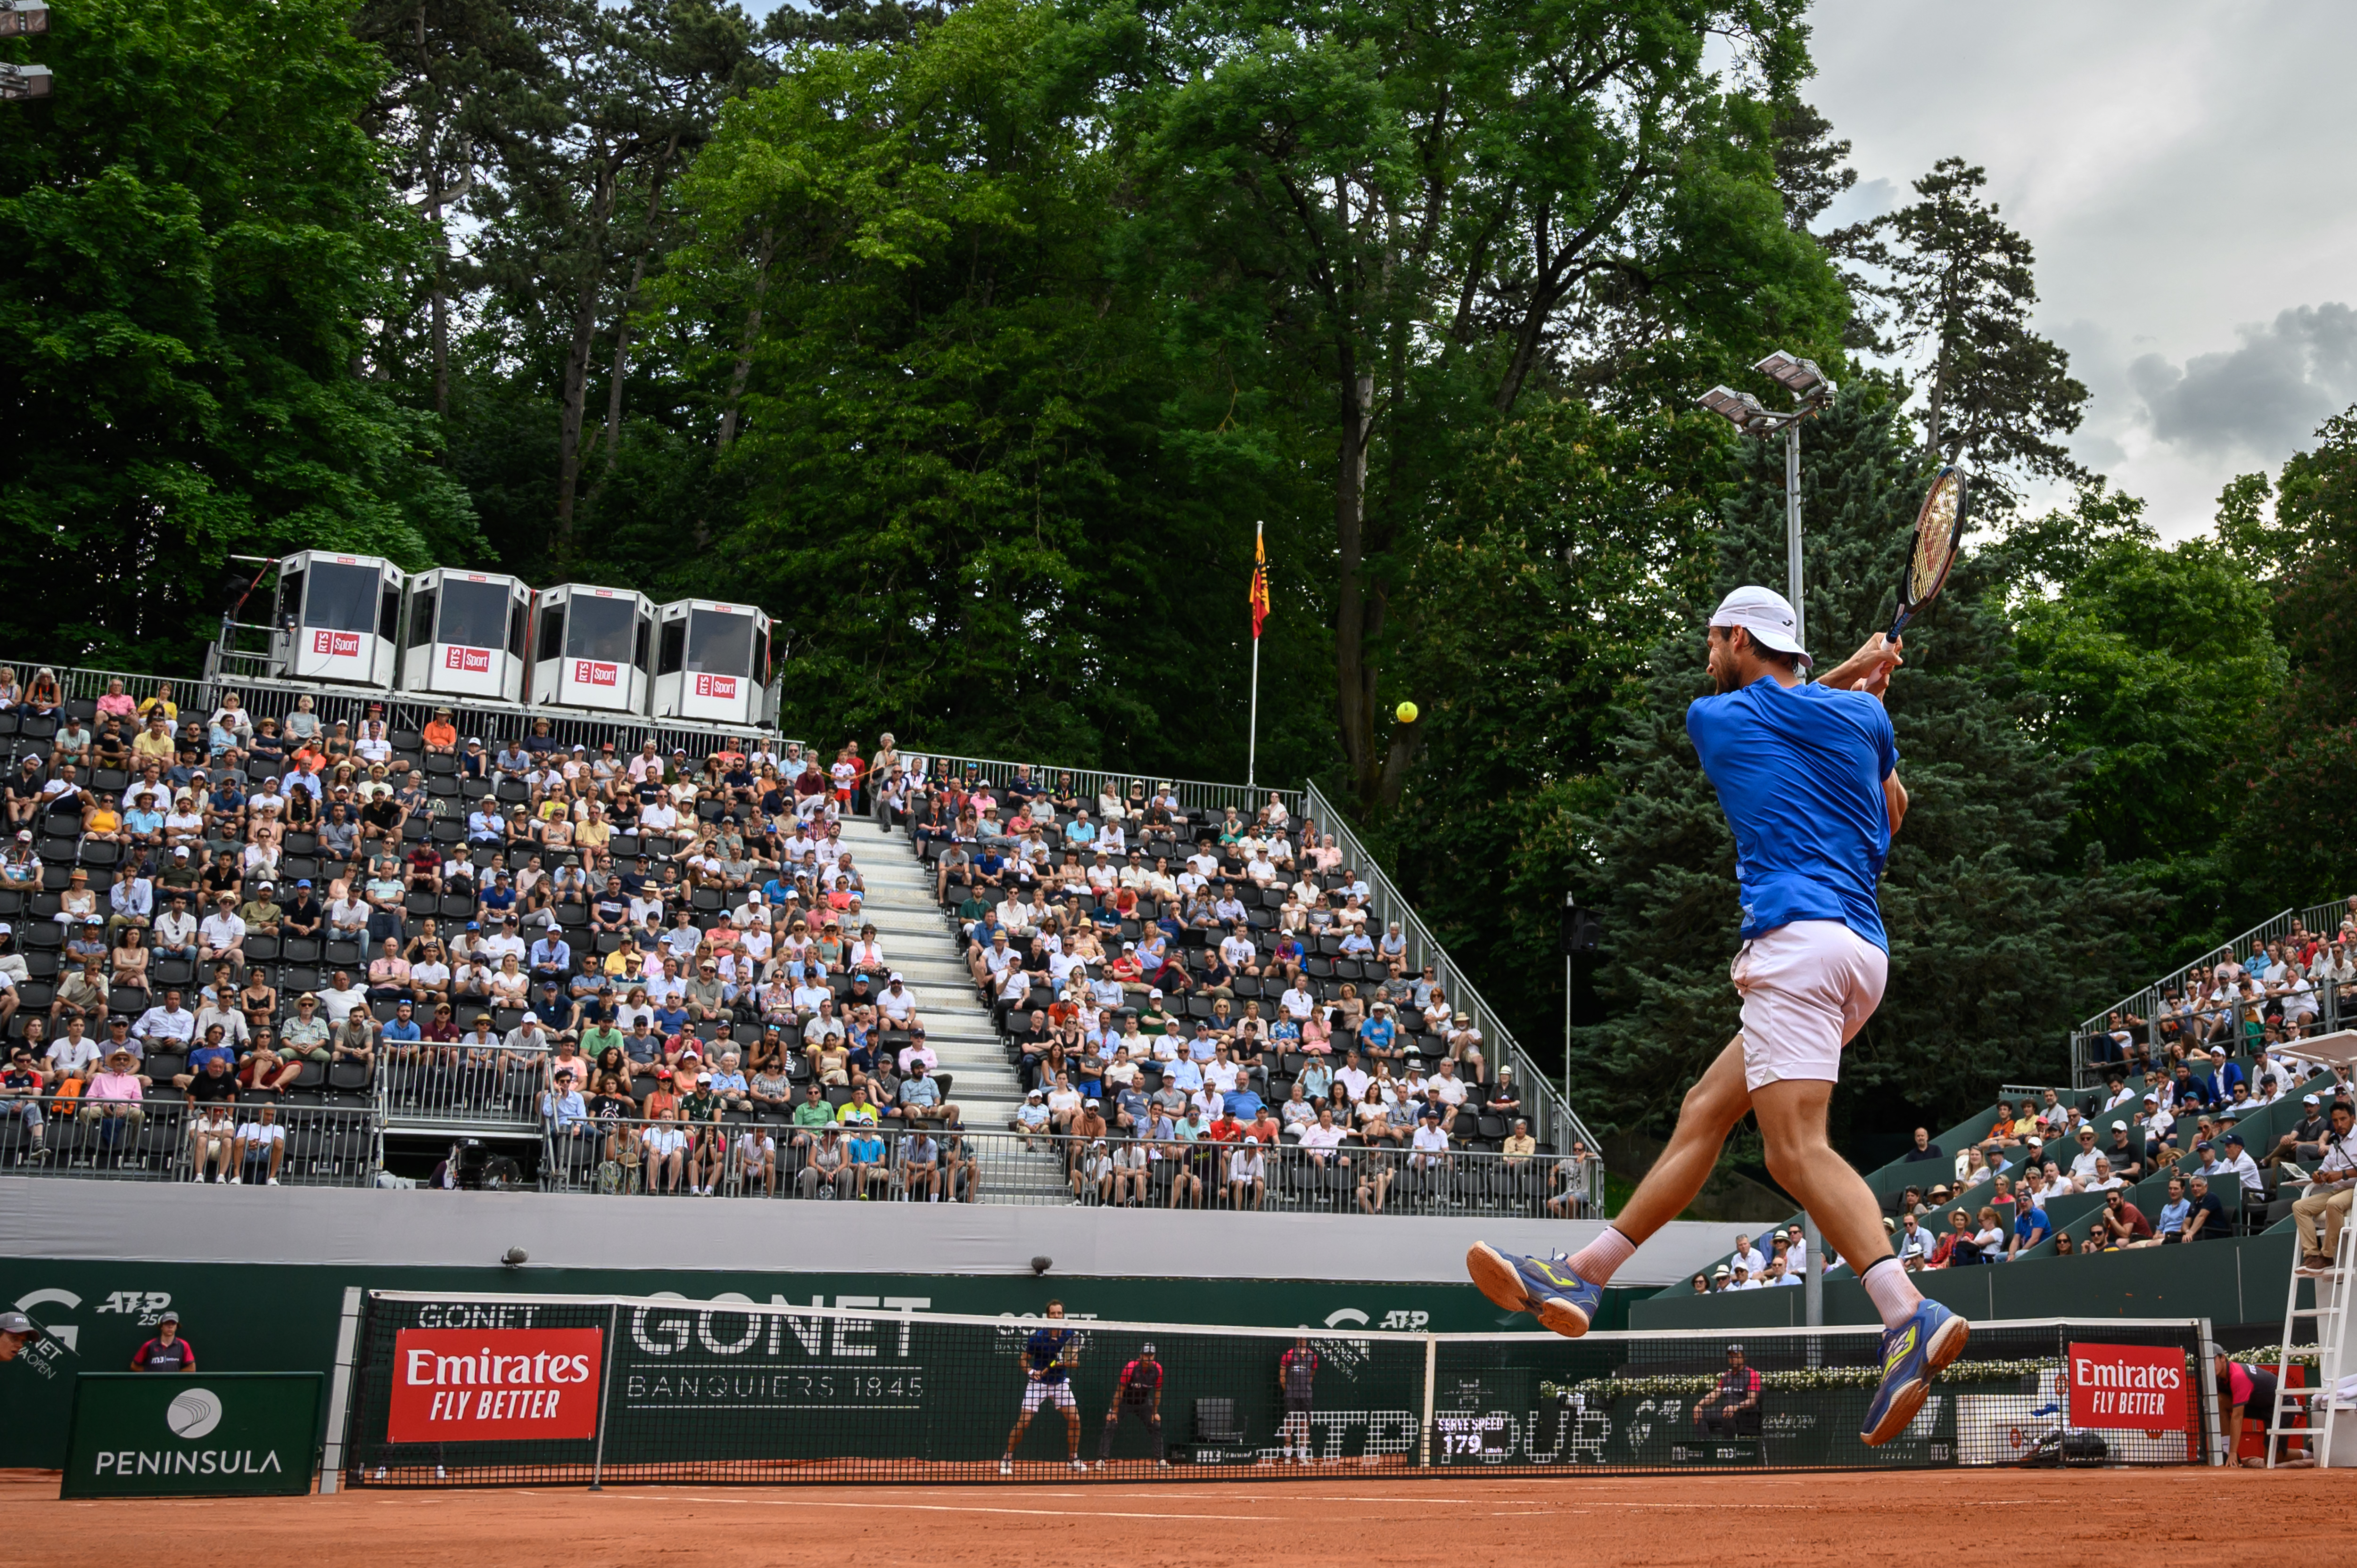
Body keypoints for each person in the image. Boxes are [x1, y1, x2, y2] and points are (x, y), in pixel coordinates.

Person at [1466, 589, 1965, 1448]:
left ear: (1740, 638)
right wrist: (1858, 693)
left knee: (1794, 1149)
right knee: (1707, 1107)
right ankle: (1584, 1276)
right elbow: (1895, 810)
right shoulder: (1864, 726)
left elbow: (1784, 702)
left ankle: (1906, 1311)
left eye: (1714, 640)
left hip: (1795, 949)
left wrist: (1853, 673)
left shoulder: (1717, 718)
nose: (1708, 656)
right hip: (1860, 957)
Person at [1000, 1300, 1084, 1475]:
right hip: (1038, 1385)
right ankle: (1007, 1459)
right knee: (1024, 1422)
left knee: (1075, 1420)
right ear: (1047, 1316)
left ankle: (1073, 1459)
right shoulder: (1037, 1338)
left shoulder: (1071, 1336)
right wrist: (1031, 1371)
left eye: (1059, 1313)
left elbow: (1075, 1362)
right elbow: (1023, 1359)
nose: (1056, 1316)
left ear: (1063, 1315)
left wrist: (1063, 1363)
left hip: (1060, 1384)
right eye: (1053, 1314)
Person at [2292, 1099, 2357, 1272]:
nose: (2339, 1124)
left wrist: (2340, 1175)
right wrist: (2318, 1175)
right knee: (2299, 1206)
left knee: (2333, 1204)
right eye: (2335, 1121)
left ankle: (2327, 1256)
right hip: (2337, 1190)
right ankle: (2312, 1255)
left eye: (2343, 1119)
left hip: (2354, 1190)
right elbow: (2325, 1167)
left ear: (2353, 1119)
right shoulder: (2336, 1142)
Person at [1095, 1340, 1168, 1468]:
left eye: (1151, 1355)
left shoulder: (1158, 1370)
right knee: (1111, 1425)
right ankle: (1101, 1460)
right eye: (1146, 1355)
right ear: (1141, 1356)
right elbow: (1120, 1391)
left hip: (1144, 1403)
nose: (1148, 1357)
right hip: (1125, 1401)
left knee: (1156, 1426)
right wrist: (1113, 1411)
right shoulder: (1131, 1368)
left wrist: (1155, 1412)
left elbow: (1157, 1393)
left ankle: (1160, 1460)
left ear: (1154, 1356)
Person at [1693, 1342, 1763, 1439]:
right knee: (1701, 1415)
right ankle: (1707, 1449)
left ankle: (1729, 1448)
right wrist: (1699, 1405)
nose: (1733, 1358)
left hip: (1746, 1416)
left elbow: (1752, 1401)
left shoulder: (1752, 1375)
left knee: (1728, 1415)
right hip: (1727, 1412)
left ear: (1743, 1357)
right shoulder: (1727, 1376)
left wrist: (1736, 1407)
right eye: (1730, 1356)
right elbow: (1715, 1394)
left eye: (1736, 1355)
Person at [1277, 1333, 1319, 1464]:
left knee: (1305, 1425)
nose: (1303, 1339)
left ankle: (1302, 1456)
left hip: (1306, 1396)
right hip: (1291, 1396)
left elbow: (1312, 1375)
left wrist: (1305, 1388)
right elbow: (1282, 1376)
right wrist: (1289, 1390)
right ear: (1297, 1338)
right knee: (1289, 1424)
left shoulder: (1313, 1356)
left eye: (1305, 1337)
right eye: (1301, 1337)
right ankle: (1288, 1456)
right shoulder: (1288, 1355)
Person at [129, 1309, 195, 1371]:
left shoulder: (183, 1345)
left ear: (177, 1326)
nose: (170, 1327)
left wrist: (176, 1376)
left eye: (173, 1324)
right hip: (154, 1382)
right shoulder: (149, 1345)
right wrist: (150, 1373)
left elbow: (192, 1368)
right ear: (162, 1326)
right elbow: (134, 1366)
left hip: (173, 1383)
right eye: (167, 1324)